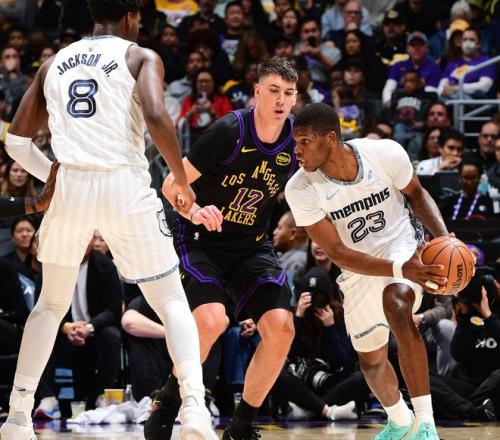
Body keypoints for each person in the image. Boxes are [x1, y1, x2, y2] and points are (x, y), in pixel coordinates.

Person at [0, 1, 217, 440]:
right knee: (171, 300)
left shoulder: (53, 63)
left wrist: (52, 177)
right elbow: (156, 114)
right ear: (131, 16)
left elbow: (17, 142)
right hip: (124, 183)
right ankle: (194, 409)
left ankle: (18, 417)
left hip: (72, 187)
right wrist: (180, 178)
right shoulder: (139, 56)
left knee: (49, 305)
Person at [147, 56, 298, 440]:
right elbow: (171, 185)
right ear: (257, 92)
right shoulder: (230, 130)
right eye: (274, 91)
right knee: (212, 319)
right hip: (202, 239)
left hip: (251, 244)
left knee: (282, 329)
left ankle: (241, 425)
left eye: (289, 93)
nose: (281, 100)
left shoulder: (296, 140)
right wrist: (196, 211)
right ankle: (169, 398)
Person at [285, 103, 452, 439]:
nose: (296, 151)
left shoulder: (384, 153)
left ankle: (426, 424)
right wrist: (397, 267)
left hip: (401, 244)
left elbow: (418, 195)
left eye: (304, 141)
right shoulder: (299, 188)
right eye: (295, 143)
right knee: (371, 361)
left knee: (397, 305)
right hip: (357, 265)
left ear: (330, 138)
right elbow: (337, 253)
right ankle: (400, 420)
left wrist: (445, 239)